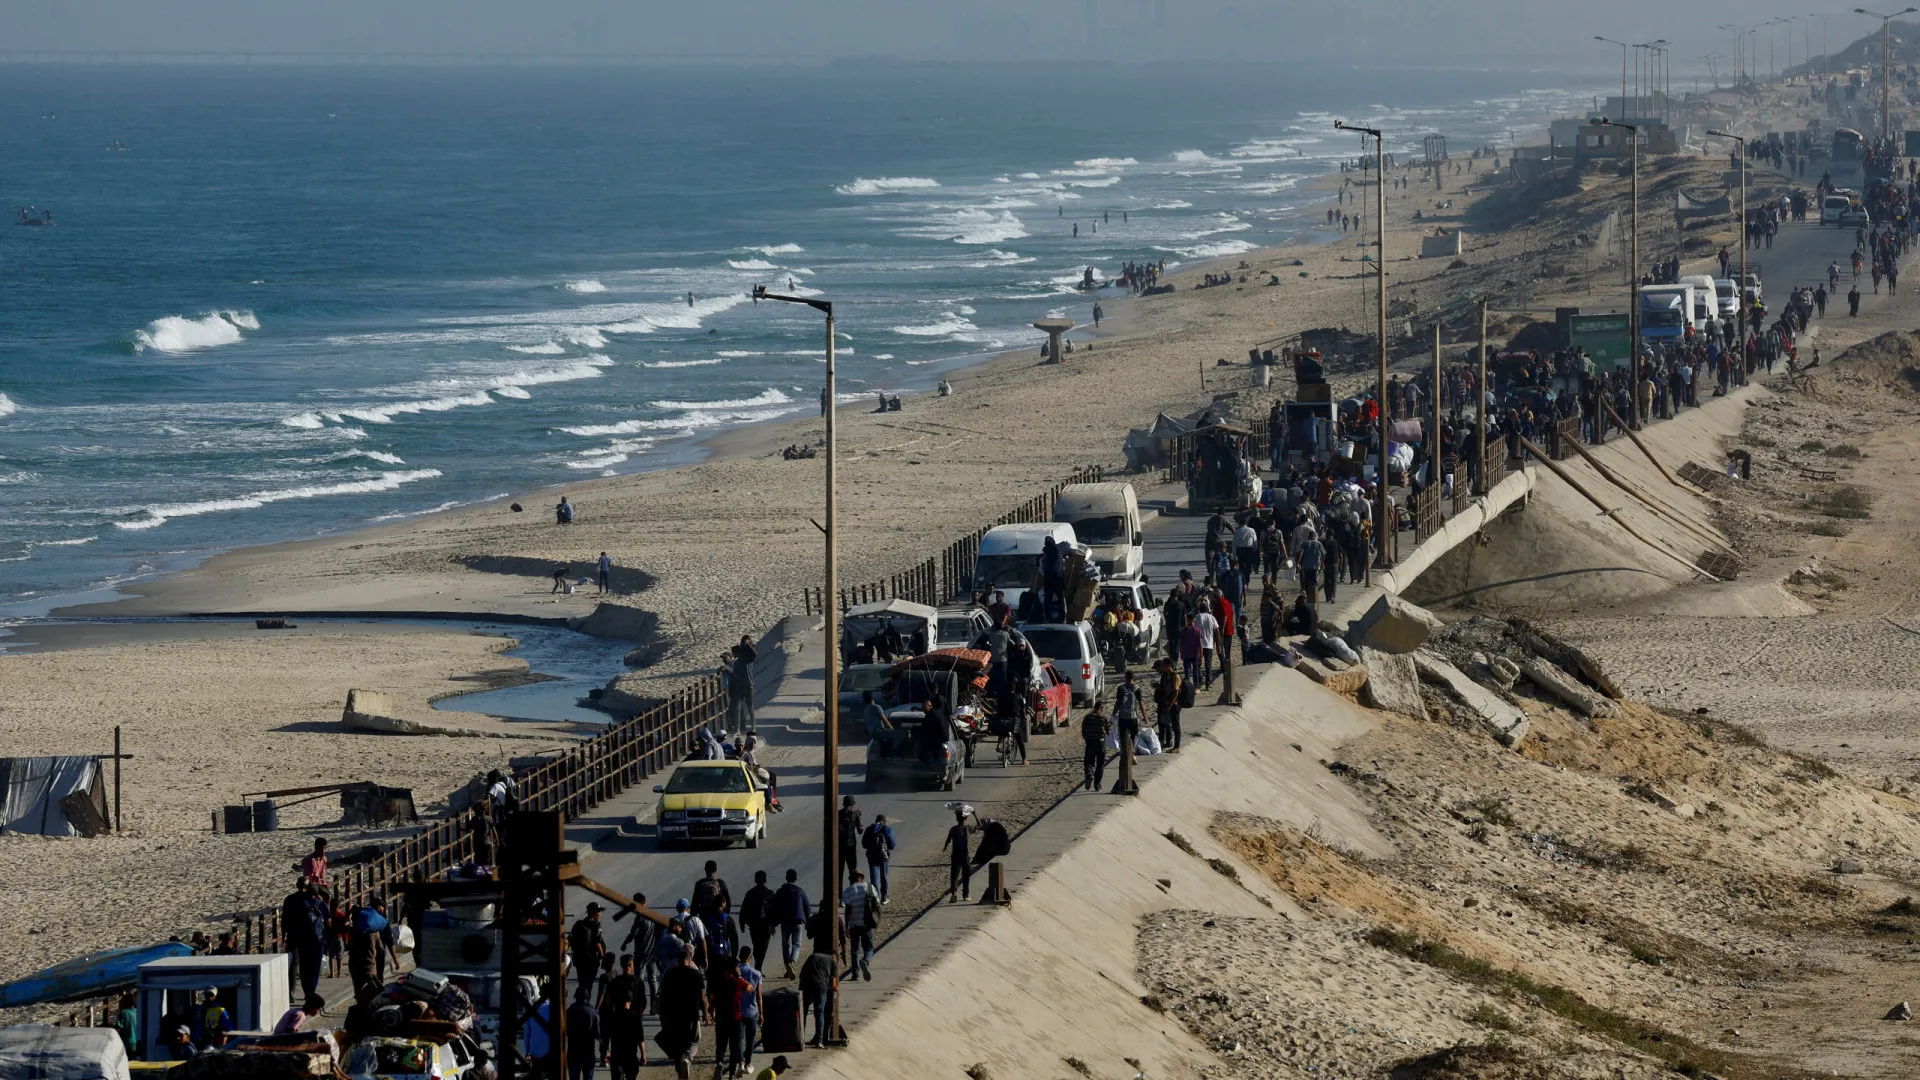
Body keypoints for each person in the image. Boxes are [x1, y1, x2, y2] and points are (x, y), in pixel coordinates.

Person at [655, 948, 707, 1080]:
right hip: (692, 1016)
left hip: (673, 1018)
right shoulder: (696, 975)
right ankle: (688, 1059)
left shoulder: (669, 975)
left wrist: (662, 1017)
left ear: (678, 960)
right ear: (690, 959)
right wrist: (706, 1014)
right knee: (694, 1040)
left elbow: (663, 998)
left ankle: (681, 1074)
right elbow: (702, 997)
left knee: (677, 1047)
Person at [282, 878, 328, 999]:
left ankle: (292, 990)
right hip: (312, 938)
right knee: (312, 966)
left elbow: (285, 920)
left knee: (296, 964)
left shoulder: (290, 899)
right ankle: (310, 991)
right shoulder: (315, 902)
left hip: (295, 936)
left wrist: (283, 936)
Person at [615, 891, 660, 1007]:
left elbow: (632, 933)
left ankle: (639, 1004)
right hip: (652, 953)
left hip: (641, 954)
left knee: (638, 981)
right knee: (652, 980)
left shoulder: (640, 918)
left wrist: (624, 943)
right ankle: (653, 1006)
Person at [348, 898, 396, 1003]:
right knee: (378, 994)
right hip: (369, 968)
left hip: (354, 966)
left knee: (359, 992)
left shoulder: (354, 930)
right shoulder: (374, 930)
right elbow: (381, 951)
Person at [597, 954, 640, 1069]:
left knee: (604, 1035)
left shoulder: (604, 977)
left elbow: (601, 994)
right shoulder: (616, 974)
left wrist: (596, 1008)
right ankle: (612, 1056)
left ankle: (604, 1058)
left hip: (605, 1010)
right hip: (615, 1009)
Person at [841, 869, 880, 982]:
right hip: (867, 923)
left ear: (851, 879)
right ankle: (866, 960)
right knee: (869, 948)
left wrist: (847, 926)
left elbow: (848, 910)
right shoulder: (869, 887)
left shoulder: (848, 890)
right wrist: (876, 920)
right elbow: (876, 904)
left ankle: (855, 974)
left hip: (854, 925)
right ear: (861, 877)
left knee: (854, 950)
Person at [772, 869, 811, 979]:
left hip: (785, 922)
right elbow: (807, 907)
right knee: (796, 944)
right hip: (798, 922)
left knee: (785, 945)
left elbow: (774, 908)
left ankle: (787, 967)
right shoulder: (800, 891)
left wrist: (773, 924)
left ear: (786, 878)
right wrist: (808, 921)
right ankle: (792, 962)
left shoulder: (781, 891)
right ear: (796, 878)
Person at [738, 872, 776, 982]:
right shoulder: (769, 893)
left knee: (756, 945)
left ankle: (758, 966)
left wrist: (742, 923)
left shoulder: (750, 893)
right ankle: (758, 966)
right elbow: (774, 911)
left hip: (754, 925)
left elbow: (744, 909)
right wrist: (773, 925)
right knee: (763, 947)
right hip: (766, 926)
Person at [605, 988, 649, 1080]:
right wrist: (643, 1055)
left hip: (617, 1056)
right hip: (631, 1056)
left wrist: (606, 1051)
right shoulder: (636, 1018)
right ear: (631, 1001)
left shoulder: (613, 1017)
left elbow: (606, 1037)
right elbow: (640, 1039)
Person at [734, 948, 765, 1076]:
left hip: (738, 1010)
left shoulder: (735, 972)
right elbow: (758, 995)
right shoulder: (756, 974)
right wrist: (761, 1014)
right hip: (752, 1010)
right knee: (750, 1039)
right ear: (750, 957)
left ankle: (740, 1062)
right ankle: (748, 1064)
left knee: (739, 1039)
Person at [800, 945, 836, 1047]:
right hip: (820, 986)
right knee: (819, 1011)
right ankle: (819, 1041)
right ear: (835, 957)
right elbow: (834, 984)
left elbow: (802, 973)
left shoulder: (813, 956)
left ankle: (801, 1040)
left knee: (803, 1011)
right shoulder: (833, 962)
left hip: (805, 983)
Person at [571, 903, 608, 1002]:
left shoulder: (579, 924)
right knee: (589, 984)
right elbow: (597, 942)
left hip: (579, 960)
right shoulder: (596, 925)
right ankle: (586, 1003)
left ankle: (580, 1003)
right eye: (599, 911)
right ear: (594, 913)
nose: (600, 913)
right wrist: (602, 956)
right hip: (591, 961)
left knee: (582, 983)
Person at [565, 987, 600, 1080]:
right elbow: (598, 1035)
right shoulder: (593, 1013)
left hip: (573, 1052)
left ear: (576, 997)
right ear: (587, 998)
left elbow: (564, 1032)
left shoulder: (569, 1011)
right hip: (588, 1053)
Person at [862, 815, 896, 904]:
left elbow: (864, 844)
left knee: (874, 878)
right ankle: (884, 897)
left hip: (872, 856)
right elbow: (892, 844)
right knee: (884, 876)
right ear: (884, 821)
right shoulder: (887, 829)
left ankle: (875, 897)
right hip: (883, 856)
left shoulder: (869, 829)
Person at [943, 807, 972, 902]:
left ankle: (954, 893)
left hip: (955, 856)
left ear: (957, 819)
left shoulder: (953, 829)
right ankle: (965, 895)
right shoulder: (968, 828)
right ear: (966, 818)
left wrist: (945, 847)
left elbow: (948, 839)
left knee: (954, 876)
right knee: (966, 877)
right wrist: (975, 814)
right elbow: (980, 826)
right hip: (965, 856)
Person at [836, 796, 863, 889]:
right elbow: (860, 831)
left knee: (839, 873)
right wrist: (859, 818)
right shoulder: (854, 815)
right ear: (852, 805)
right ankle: (852, 894)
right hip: (851, 847)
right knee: (852, 872)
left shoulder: (838, 814)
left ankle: (839, 897)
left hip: (839, 847)